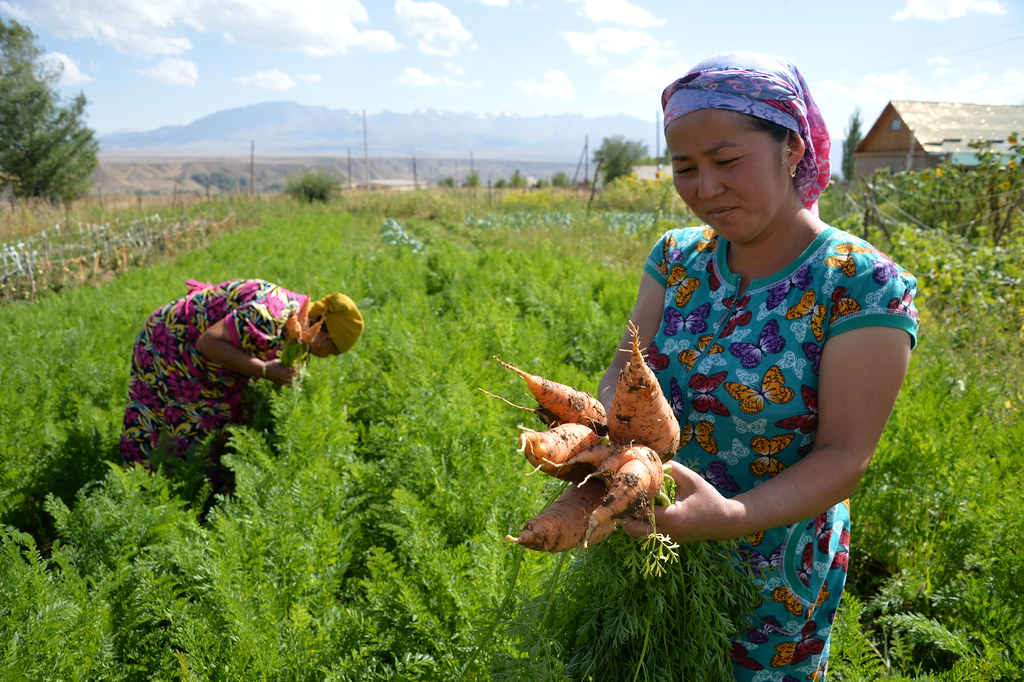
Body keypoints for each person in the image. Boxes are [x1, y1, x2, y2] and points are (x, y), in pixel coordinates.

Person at [597, 51, 919, 680]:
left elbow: (844, 457)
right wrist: (602, 429)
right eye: (685, 167)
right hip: (641, 537)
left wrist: (730, 518)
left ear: (792, 150)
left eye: (726, 161)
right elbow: (623, 367)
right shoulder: (676, 258)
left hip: (768, 576)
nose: (704, 188)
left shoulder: (860, 284)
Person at [120, 278, 364, 470]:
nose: (330, 356)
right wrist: (266, 370)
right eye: (334, 349)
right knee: (172, 423)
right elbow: (208, 342)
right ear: (324, 332)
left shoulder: (297, 326)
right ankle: (141, 489)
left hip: (204, 357)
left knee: (223, 423)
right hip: (171, 344)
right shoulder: (272, 313)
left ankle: (192, 489)